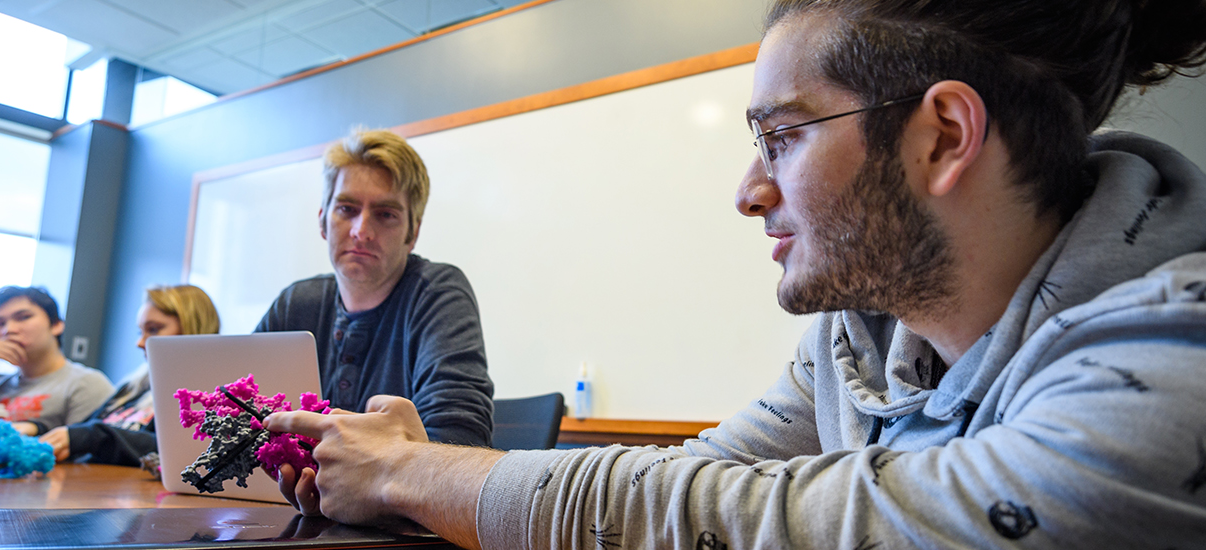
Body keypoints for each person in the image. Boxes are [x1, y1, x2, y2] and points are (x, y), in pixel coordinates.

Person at [262, 0, 1206, 548]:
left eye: (782, 137)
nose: (750, 191)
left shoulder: (1168, 378)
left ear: (943, 138)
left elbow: (749, 520)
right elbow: (691, 479)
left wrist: (413, 469)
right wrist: (415, 471)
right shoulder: (860, 338)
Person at [254, 128, 494, 447]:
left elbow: (460, 444)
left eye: (385, 214)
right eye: (346, 209)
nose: (361, 230)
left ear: (412, 233)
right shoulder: (294, 303)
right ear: (323, 220)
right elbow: (237, 411)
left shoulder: (436, 295)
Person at [39, 284, 221, 465]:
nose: (139, 342)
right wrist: (38, 428)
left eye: (153, 329)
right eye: (140, 331)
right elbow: (77, 433)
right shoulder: (134, 386)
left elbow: (176, 451)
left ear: (191, 330)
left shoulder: (203, 398)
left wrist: (96, 436)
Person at [0, 286, 114, 436]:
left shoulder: (85, 385)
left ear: (56, 325)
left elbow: (85, 450)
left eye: (23, 317)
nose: (9, 330)